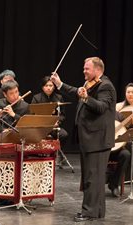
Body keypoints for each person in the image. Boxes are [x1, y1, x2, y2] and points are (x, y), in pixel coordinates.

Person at [51, 57, 116, 222]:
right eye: (84, 68)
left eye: (87, 68)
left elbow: (101, 107)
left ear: (97, 69)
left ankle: (89, 212)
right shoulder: (91, 84)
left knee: (92, 178)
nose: (84, 71)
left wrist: (86, 98)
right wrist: (60, 84)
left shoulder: (105, 86)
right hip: (91, 139)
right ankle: (97, 211)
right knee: (94, 177)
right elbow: (76, 92)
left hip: (97, 140)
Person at [31, 76, 69, 165]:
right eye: (46, 85)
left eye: (51, 85)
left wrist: (58, 122)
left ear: (54, 86)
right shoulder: (36, 98)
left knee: (64, 135)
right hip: (40, 127)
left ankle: (58, 153)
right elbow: (32, 114)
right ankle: (40, 155)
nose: (48, 88)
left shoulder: (58, 97)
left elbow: (63, 115)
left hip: (53, 126)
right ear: (42, 87)